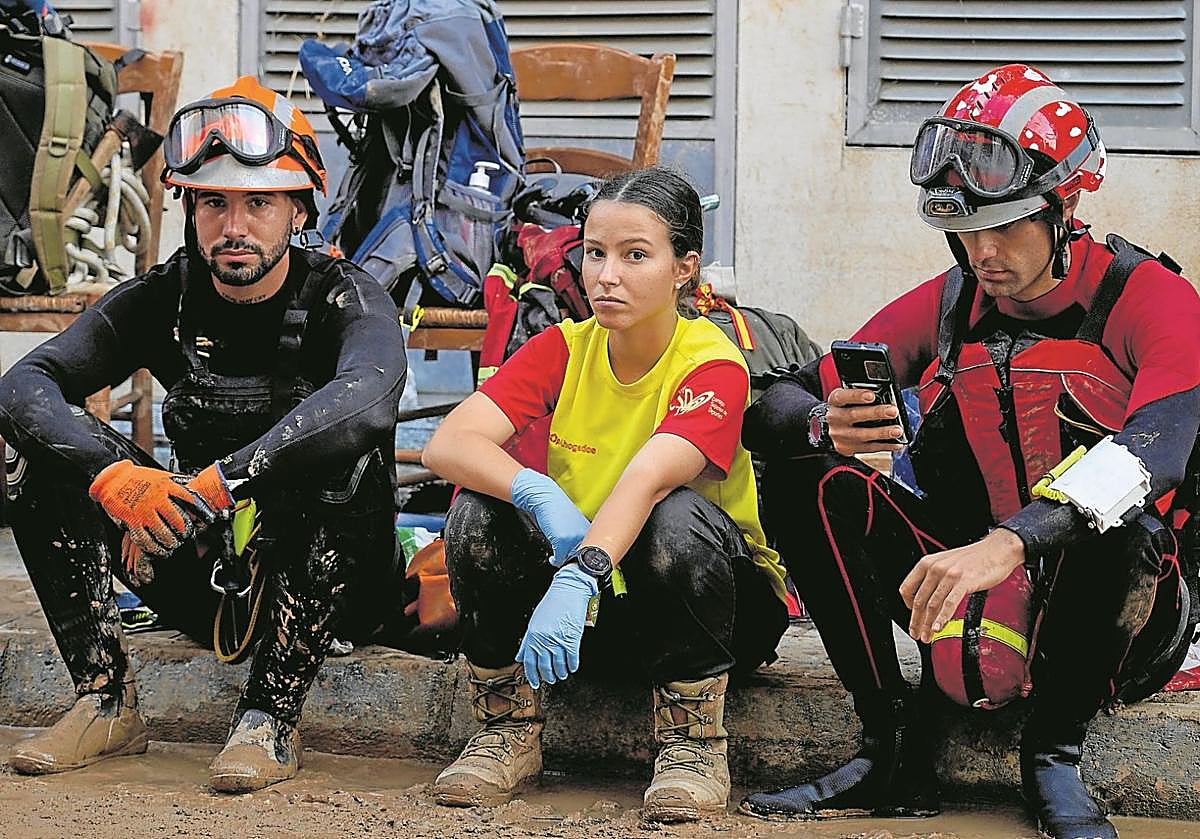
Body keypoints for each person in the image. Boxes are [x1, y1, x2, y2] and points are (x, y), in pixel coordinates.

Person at [738, 64, 1200, 839]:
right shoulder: (952, 300)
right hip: (976, 588)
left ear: (1066, 204)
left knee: (1118, 513)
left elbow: (1162, 449)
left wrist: (1010, 542)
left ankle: (1052, 754)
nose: (981, 251)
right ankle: (888, 746)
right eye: (964, 228)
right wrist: (825, 423)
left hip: (1123, 607)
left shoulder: (1149, 297)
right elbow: (774, 398)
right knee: (810, 476)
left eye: (1005, 224)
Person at [0, 76, 407, 793]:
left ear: (299, 209)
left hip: (335, 588)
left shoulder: (346, 298)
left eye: (258, 203)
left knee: (346, 455)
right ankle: (103, 699)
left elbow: (366, 400)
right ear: (188, 208)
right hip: (214, 577)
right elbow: (23, 387)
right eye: (213, 202)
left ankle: (270, 716)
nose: (234, 225)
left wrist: (220, 484)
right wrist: (115, 477)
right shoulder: (164, 296)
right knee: (28, 453)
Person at [421, 166, 789, 822]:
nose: (606, 274)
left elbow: (649, 476)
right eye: (594, 252)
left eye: (635, 255)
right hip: (601, 608)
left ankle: (693, 742)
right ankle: (506, 727)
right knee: (478, 512)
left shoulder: (712, 361)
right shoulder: (565, 347)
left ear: (685, 268)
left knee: (675, 518)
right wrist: (532, 488)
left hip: (713, 605)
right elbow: (449, 443)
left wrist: (580, 574)